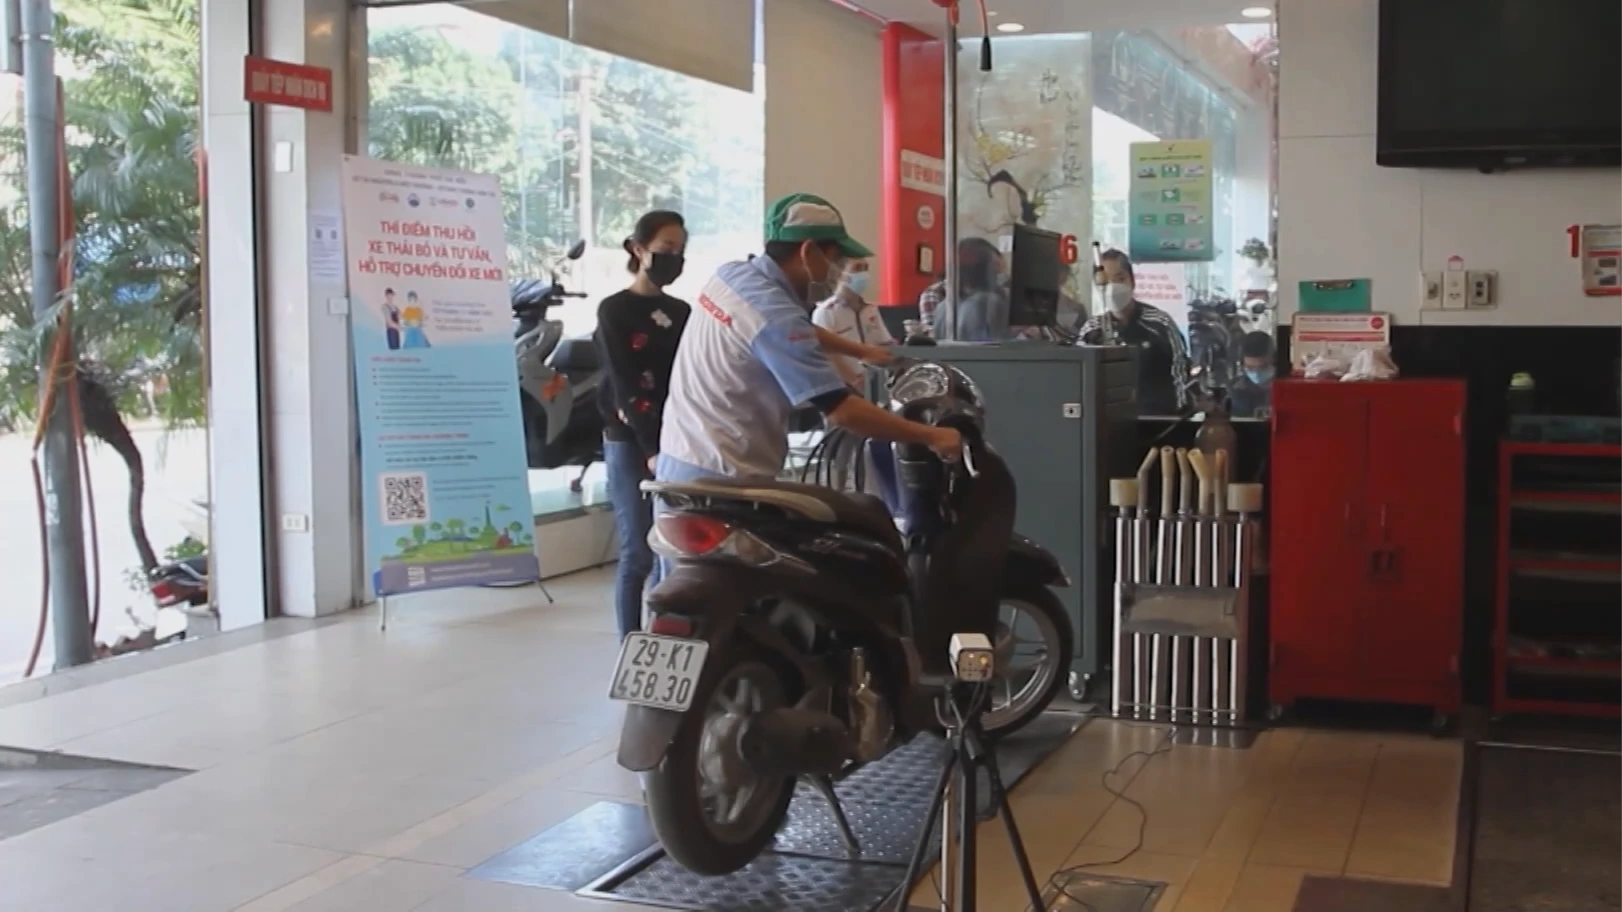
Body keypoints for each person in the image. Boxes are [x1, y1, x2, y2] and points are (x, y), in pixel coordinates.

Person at [658, 193, 961, 491]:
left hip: (678, 460)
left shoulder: (732, 277)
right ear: (809, 252)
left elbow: (787, 330)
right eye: (835, 259)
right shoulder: (778, 316)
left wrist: (860, 350)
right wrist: (933, 436)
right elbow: (843, 412)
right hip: (725, 479)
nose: (836, 270)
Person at [594, 210, 691, 639]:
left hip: (675, 437)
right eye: (666, 248)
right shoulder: (614, 310)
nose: (674, 257)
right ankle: (629, 645)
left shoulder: (682, 311)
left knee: (672, 547)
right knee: (637, 551)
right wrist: (650, 447)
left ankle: (665, 642)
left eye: (680, 250)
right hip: (629, 439)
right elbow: (624, 383)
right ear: (639, 249)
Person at [812, 259, 902, 508]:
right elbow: (827, 353)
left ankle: (873, 495)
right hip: (840, 389)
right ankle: (837, 496)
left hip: (873, 387)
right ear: (841, 274)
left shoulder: (870, 310)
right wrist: (852, 380)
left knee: (873, 443)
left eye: (865, 271)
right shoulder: (827, 312)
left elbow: (883, 343)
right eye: (856, 271)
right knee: (841, 448)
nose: (863, 277)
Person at [1080, 249, 1189, 414]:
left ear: (1132, 281)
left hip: (1156, 419)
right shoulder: (1092, 330)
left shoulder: (1160, 323)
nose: (1113, 287)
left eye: (1120, 278)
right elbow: (1078, 379)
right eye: (1106, 281)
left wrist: (1180, 415)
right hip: (1107, 421)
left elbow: (1180, 372)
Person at [917, 237, 1008, 339]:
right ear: (985, 268)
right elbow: (1000, 345)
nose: (1002, 274)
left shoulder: (942, 307)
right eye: (996, 266)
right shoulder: (989, 303)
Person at [1229, 330, 1276, 418]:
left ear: (1274, 361)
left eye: (1263, 367)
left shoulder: (1288, 388)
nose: (1256, 373)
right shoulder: (1235, 390)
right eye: (1250, 368)